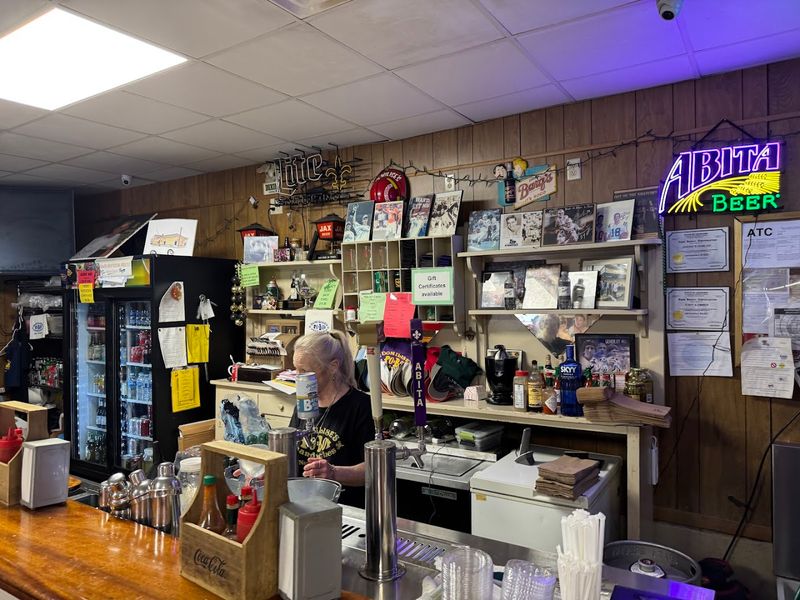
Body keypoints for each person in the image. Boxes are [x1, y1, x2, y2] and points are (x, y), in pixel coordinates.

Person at [289, 331, 374, 507]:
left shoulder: (361, 406)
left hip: (343, 508)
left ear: (333, 366)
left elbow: (373, 470)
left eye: (304, 371)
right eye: (296, 369)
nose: (298, 378)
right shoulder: (303, 404)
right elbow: (290, 456)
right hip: (304, 503)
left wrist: (334, 473)